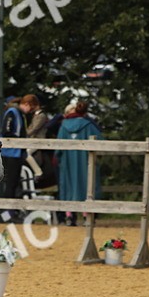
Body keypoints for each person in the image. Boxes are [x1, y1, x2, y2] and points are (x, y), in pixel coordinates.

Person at [56, 97, 103, 227]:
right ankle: (86, 215)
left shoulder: (63, 126)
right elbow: (101, 143)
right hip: (86, 162)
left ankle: (69, 216)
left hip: (67, 162)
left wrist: (59, 158)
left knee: (68, 187)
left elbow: (58, 147)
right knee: (87, 186)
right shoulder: (89, 125)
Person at [0, 95, 27, 218]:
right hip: (11, 152)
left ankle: (11, 213)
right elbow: (7, 130)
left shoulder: (16, 112)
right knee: (10, 183)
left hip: (16, 152)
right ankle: (7, 214)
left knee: (13, 183)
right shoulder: (12, 112)